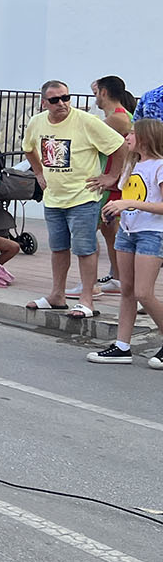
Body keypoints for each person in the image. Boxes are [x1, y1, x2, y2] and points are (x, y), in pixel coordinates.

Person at [23, 80, 126, 320]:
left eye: (65, 98)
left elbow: (119, 146)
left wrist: (112, 176)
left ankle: (86, 299)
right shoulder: (36, 122)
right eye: (55, 100)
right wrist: (38, 172)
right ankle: (57, 295)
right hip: (54, 198)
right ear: (44, 103)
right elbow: (28, 147)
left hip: (83, 197)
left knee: (84, 248)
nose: (62, 103)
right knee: (58, 248)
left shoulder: (86, 121)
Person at [90, 120, 163, 364]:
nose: (126, 138)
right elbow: (128, 197)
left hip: (152, 234)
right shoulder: (132, 165)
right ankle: (122, 346)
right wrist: (113, 210)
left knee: (144, 292)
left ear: (146, 138)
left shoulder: (159, 166)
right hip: (127, 231)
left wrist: (128, 203)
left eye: (131, 134)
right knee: (127, 291)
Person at [85, 76, 135, 297]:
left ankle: (89, 284)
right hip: (114, 180)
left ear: (103, 92)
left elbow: (87, 138)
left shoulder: (117, 118)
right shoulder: (120, 116)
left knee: (87, 229)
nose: (95, 97)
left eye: (95, 93)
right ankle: (118, 278)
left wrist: (112, 176)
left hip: (110, 182)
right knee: (108, 230)